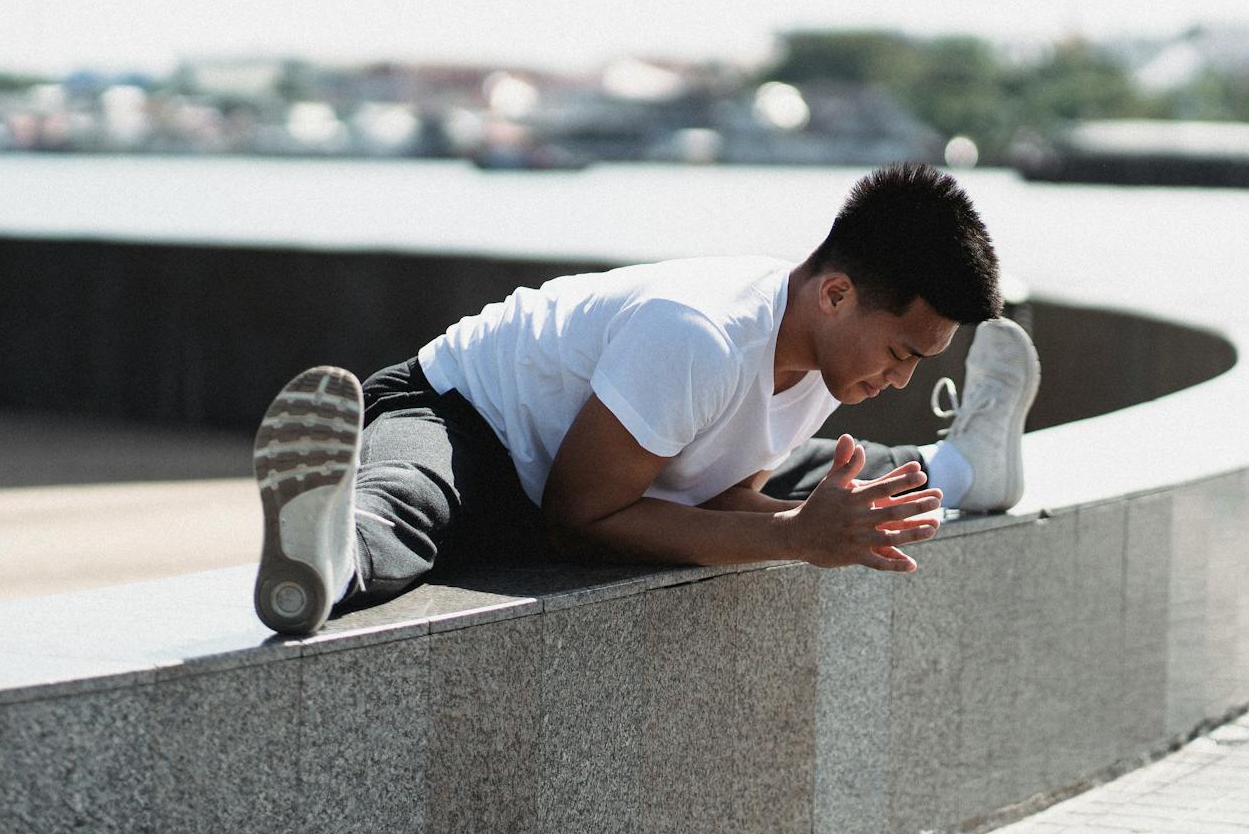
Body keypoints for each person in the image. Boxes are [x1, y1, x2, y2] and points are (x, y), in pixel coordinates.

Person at [251, 162, 1042, 636]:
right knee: (413, 497)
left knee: (839, 483)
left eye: (919, 362)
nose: (900, 378)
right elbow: (579, 519)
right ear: (835, 294)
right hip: (464, 416)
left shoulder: (823, 350)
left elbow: (722, 488)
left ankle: (967, 466)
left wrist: (814, 525)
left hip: (610, 465)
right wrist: (795, 539)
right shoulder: (700, 336)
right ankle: (328, 553)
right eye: (901, 352)